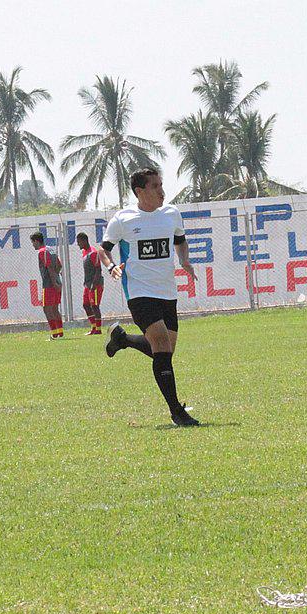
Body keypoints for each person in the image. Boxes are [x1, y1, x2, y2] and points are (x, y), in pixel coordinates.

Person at [101, 167, 200, 427]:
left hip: (167, 291)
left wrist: (185, 261)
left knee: (165, 349)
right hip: (139, 292)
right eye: (155, 186)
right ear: (139, 191)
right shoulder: (123, 219)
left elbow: (180, 240)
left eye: (161, 184)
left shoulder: (171, 214)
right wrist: (112, 266)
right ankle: (177, 411)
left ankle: (123, 340)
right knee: (161, 346)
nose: (161, 190)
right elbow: (104, 249)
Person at [31, 232, 64, 339]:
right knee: (55, 309)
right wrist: (57, 279)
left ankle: (54, 334)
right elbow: (59, 265)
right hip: (57, 282)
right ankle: (60, 332)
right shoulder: (51, 249)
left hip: (49, 284)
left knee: (47, 309)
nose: (33, 245)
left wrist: (53, 283)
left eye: (33, 242)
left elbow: (49, 267)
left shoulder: (42, 251)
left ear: (36, 241)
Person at [78, 232, 107, 335]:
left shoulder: (93, 252)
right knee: (86, 305)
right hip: (87, 284)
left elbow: (98, 270)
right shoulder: (84, 252)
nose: (78, 244)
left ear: (84, 241)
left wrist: (94, 285)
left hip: (95, 284)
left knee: (95, 305)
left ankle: (98, 329)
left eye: (79, 242)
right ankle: (93, 327)